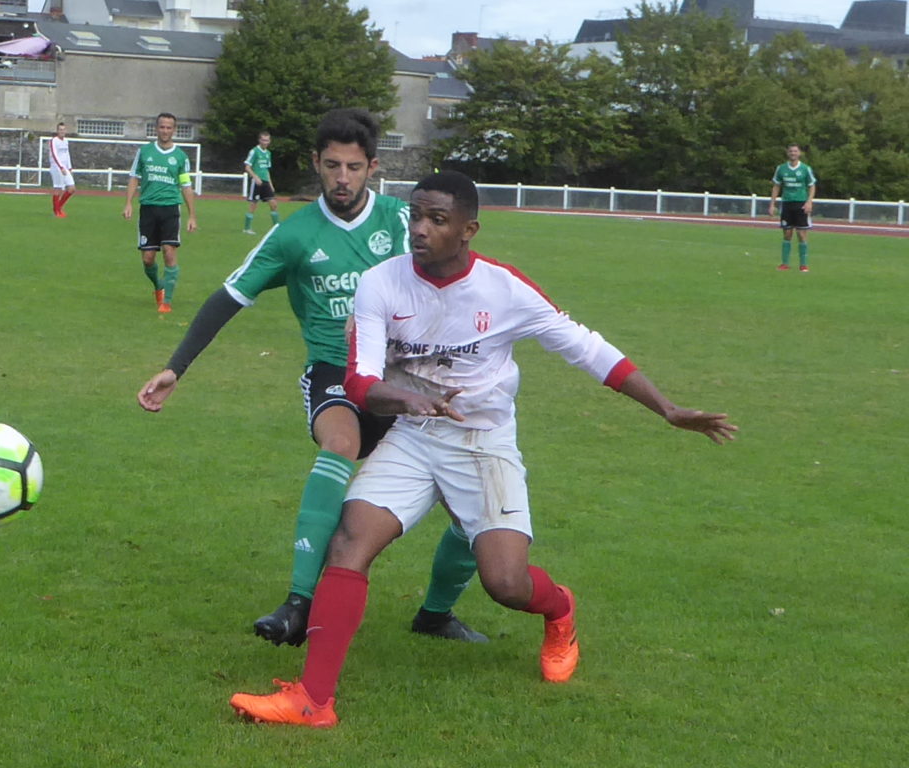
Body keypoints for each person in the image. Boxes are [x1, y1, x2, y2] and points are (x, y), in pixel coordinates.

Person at [229, 170, 738, 728]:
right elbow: (360, 380)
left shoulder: (504, 288)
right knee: (349, 541)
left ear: (468, 229)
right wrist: (401, 399)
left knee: (506, 583)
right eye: (416, 216)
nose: (419, 229)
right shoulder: (380, 282)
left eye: (436, 219)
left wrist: (666, 408)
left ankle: (560, 609)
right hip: (414, 436)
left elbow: (588, 350)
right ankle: (313, 700)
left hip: (482, 441)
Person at [137, 109, 485, 650]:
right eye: (331, 166)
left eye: (353, 166)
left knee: (472, 496)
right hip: (336, 373)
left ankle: (435, 614)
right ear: (315, 165)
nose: (342, 178)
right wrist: (174, 368)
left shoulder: (403, 221)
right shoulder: (294, 235)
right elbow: (229, 297)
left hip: (408, 377)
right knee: (340, 444)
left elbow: (464, 278)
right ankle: (298, 603)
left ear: (372, 167)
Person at [123, 113, 198, 314]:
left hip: (170, 209)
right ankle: (158, 285)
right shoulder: (145, 152)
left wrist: (192, 215)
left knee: (169, 252)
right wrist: (128, 203)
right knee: (148, 258)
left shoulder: (180, 157)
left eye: (169, 127)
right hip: (148, 208)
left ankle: (167, 302)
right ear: (156, 128)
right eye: (162, 127)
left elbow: (186, 186)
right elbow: (133, 177)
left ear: (174, 130)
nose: (165, 131)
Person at [768, 143, 817, 272]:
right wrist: (772, 204)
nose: (793, 153)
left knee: (801, 234)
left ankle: (803, 264)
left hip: (801, 204)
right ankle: (785, 263)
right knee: (787, 234)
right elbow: (776, 186)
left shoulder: (805, 169)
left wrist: (809, 202)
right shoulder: (781, 168)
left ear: (799, 153)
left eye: (795, 151)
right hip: (787, 203)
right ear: (787, 153)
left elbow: (812, 185)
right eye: (790, 151)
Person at [242, 131, 279, 234]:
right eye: (263, 140)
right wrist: (255, 177)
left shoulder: (268, 154)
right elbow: (247, 167)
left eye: (267, 140)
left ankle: (276, 227)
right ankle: (247, 228)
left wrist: (271, 184)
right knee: (254, 205)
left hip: (265, 181)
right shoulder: (254, 151)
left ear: (269, 141)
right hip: (257, 181)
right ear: (259, 140)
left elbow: (266, 170)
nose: (265, 142)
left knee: (273, 204)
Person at [48, 122, 76, 218]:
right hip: (56, 167)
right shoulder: (53, 141)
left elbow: (67, 155)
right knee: (58, 188)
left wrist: (70, 168)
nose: (62, 131)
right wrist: (60, 167)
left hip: (65, 168)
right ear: (57, 131)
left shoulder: (66, 141)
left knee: (72, 188)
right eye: (60, 129)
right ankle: (56, 212)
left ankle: (58, 207)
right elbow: (55, 154)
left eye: (63, 129)